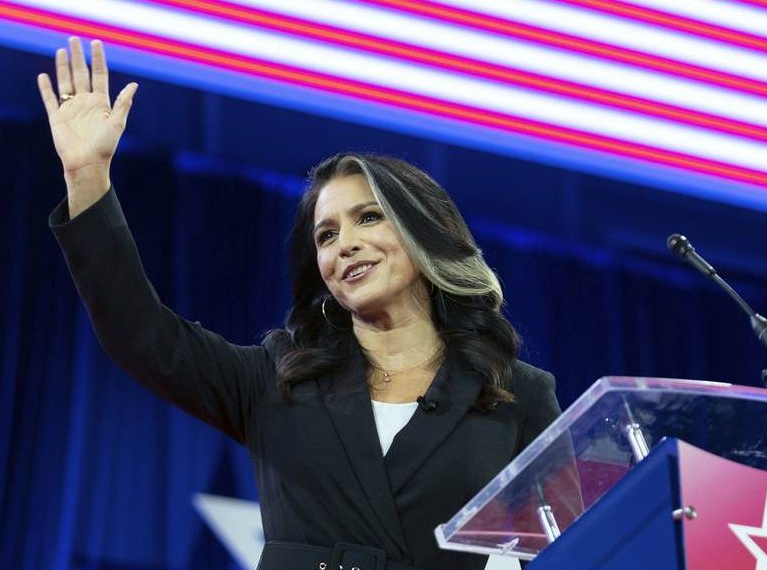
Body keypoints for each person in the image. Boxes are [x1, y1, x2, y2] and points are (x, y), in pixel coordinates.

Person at [39, 37, 561, 570]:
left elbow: (576, 548)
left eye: (369, 217)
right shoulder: (277, 379)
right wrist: (87, 179)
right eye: (326, 235)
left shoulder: (515, 394)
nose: (345, 244)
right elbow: (139, 333)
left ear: (424, 232)